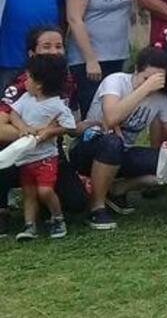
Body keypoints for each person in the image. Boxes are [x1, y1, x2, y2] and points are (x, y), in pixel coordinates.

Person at [70, 47, 167, 230]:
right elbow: (111, 118)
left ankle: (118, 189)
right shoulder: (116, 81)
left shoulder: (161, 98)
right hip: (91, 147)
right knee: (112, 144)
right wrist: (144, 89)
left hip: (123, 153)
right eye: (146, 78)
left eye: (158, 80)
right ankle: (97, 207)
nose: (152, 85)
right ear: (136, 70)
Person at [0, 26, 86, 235]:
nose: (54, 51)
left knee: (77, 203)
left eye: (59, 46)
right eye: (46, 46)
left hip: (49, 155)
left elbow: (71, 123)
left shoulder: (68, 82)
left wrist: (73, 127)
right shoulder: (23, 85)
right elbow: (1, 127)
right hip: (15, 153)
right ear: (32, 53)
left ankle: (49, 210)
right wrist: (32, 134)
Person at [7, 54, 76, 241]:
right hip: (26, 157)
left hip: (46, 158)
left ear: (39, 84)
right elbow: (13, 114)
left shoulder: (57, 105)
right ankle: (30, 226)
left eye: (28, 77)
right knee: (29, 193)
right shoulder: (26, 99)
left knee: (44, 190)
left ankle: (57, 218)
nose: (25, 81)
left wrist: (50, 132)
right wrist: (23, 128)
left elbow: (70, 127)